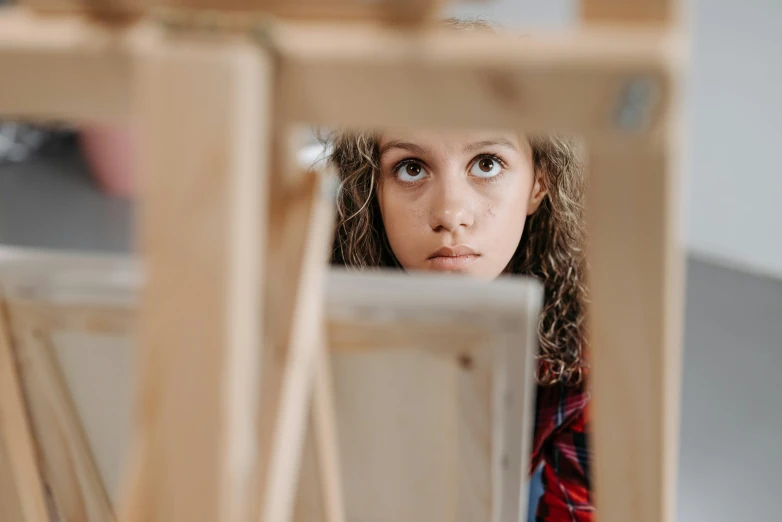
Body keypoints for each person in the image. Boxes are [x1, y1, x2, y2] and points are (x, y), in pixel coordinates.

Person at [326, 122, 592, 521]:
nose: (450, 215)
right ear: (371, 189)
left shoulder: (581, 343)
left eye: (487, 164)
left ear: (539, 183)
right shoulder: (304, 312)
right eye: (411, 168)